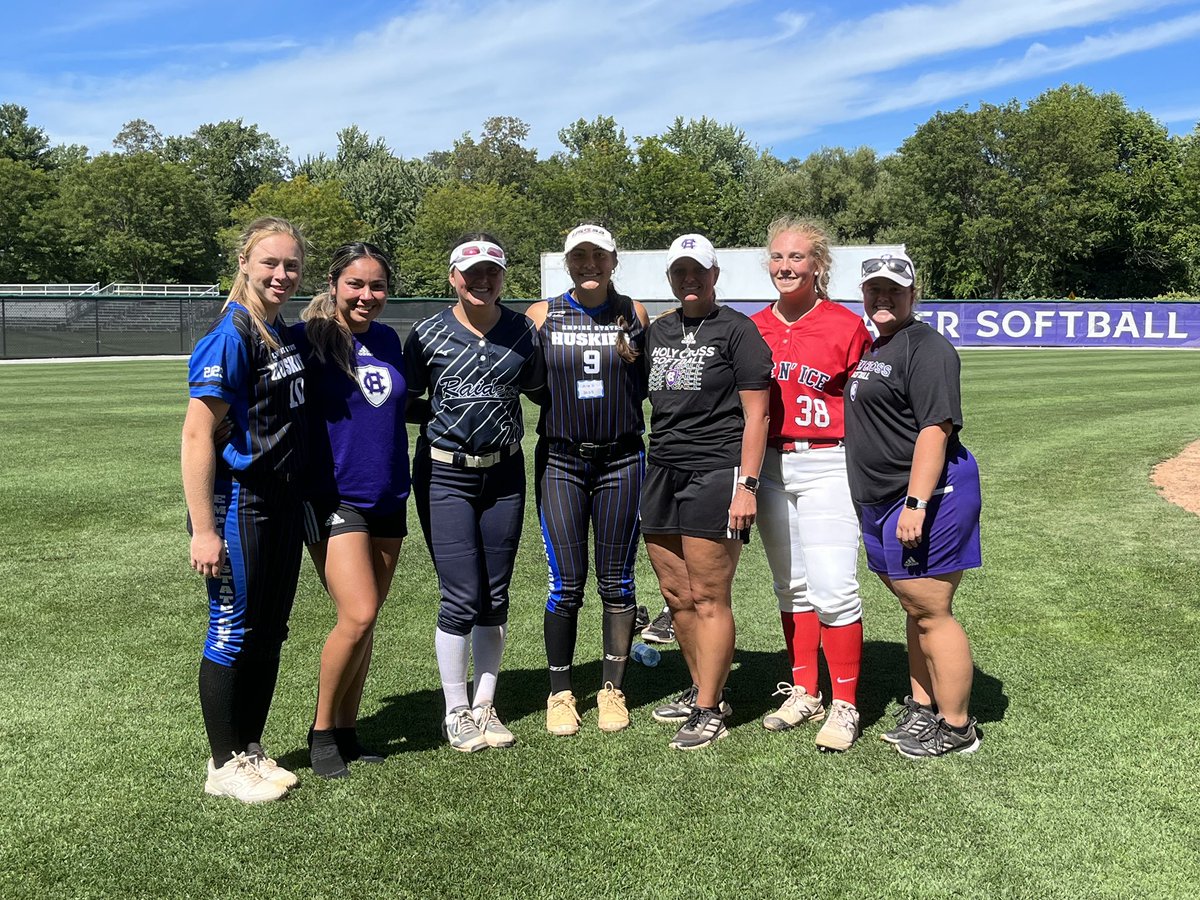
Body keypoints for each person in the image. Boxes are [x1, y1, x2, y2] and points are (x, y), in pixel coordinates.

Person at [182, 216, 314, 803]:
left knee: (271, 630)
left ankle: (250, 749)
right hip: (239, 504)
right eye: (271, 263)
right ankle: (222, 763)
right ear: (245, 263)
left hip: (282, 502)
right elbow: (195, 436)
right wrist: (204, 530)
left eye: (291, 265)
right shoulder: (231, 334)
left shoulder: (276, 330)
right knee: (233, 628)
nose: (281, 274)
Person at [405, 233, 546, 752]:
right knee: (461, 595)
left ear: (503, 277)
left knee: (496, 595)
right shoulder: (426, 334)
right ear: (453, 278)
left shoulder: (522, 334)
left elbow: (540, 391)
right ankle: (456, 709)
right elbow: (405, 399)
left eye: (492, 271)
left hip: (505, 474)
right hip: (445, 474)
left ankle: (486, 704)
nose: (482, 280)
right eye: (471, 273)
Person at [843, 251, 983, 758]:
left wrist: (916, 503)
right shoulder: (881, 345)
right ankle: (923, 708)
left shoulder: (928, 348)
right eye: (873, 290)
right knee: (913, 605)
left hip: (929, 497)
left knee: (932, 610)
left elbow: (935, 428)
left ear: (913, 295)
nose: (882, 298)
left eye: (893, 290)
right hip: (882, 499)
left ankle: (957, 725)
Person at [641, 233, 772, 750]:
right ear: (670, 278)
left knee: (710, 596)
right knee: (676, 596)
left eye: (698, 271)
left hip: (716, 472)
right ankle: (703, 689)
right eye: (680, 272)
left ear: (715, 275)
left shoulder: (738, 331)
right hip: (662, 471)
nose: (689, 279)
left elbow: (757, 415)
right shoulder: (659, 330)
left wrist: (747, 486)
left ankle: (709, 708)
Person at [749, 218, 873, 752]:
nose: (786, 267)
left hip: (828, 463)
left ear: (818, 265)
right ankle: (805, 689)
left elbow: (871, 408)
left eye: (797, 258)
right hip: (772, 467)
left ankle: (845, 703)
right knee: (792, 585)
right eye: (778, 257)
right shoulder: (752, 327)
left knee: (833, 586)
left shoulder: (847, 326)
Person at [525, 224, 649, 736]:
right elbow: (532, 383)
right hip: (562, 459)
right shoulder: (543, 313)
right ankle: (560, 693)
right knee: (565, 583)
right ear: (567, 262)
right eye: (579, 256)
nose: (588, 264)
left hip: (622, 458)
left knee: (617, 581)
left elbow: (642, 382)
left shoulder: (634, 313)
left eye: (598, 255)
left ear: (613, 261)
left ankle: (612, 690)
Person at [291, 243, 410, 778]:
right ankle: (320, 732)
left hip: (389, 494)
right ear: (334, 284)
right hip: (335, 498)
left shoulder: (387, 339)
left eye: (377, 286)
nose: (367, 295)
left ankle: (347, 730)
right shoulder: (307, 340)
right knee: (357, 613)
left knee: (367, 622)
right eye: (356, 285)